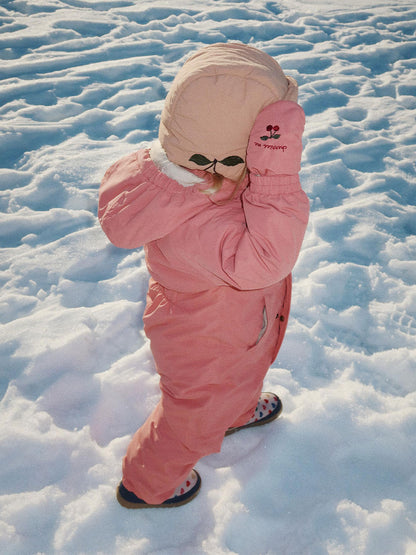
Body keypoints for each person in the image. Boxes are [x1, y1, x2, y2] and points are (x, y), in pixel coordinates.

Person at [98, 42, 309, 508]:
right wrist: (275, 179)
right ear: (238, 146)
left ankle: (233, 411)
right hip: (206, 339)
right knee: (192, 413)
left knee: (232, 381)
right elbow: (266, 261)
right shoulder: (200, 220)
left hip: (229, 328)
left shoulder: (185, 174)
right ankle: (147, 484)